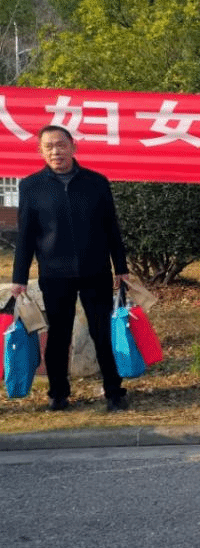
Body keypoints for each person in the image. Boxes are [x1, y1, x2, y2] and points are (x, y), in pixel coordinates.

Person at [10, 124, 130, 412]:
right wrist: (19, 278)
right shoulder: (31, 186)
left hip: (95, 270)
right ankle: (58, 393)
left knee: (102, 332)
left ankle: (114, 390)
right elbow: (25, 236)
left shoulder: (96, 182)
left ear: (73, 147)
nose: (56, 151)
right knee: (58, 336)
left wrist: (121, 267)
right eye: (49, 146)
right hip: (55, 273)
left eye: (61, 145)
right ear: (41, 151)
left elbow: (111, 228)